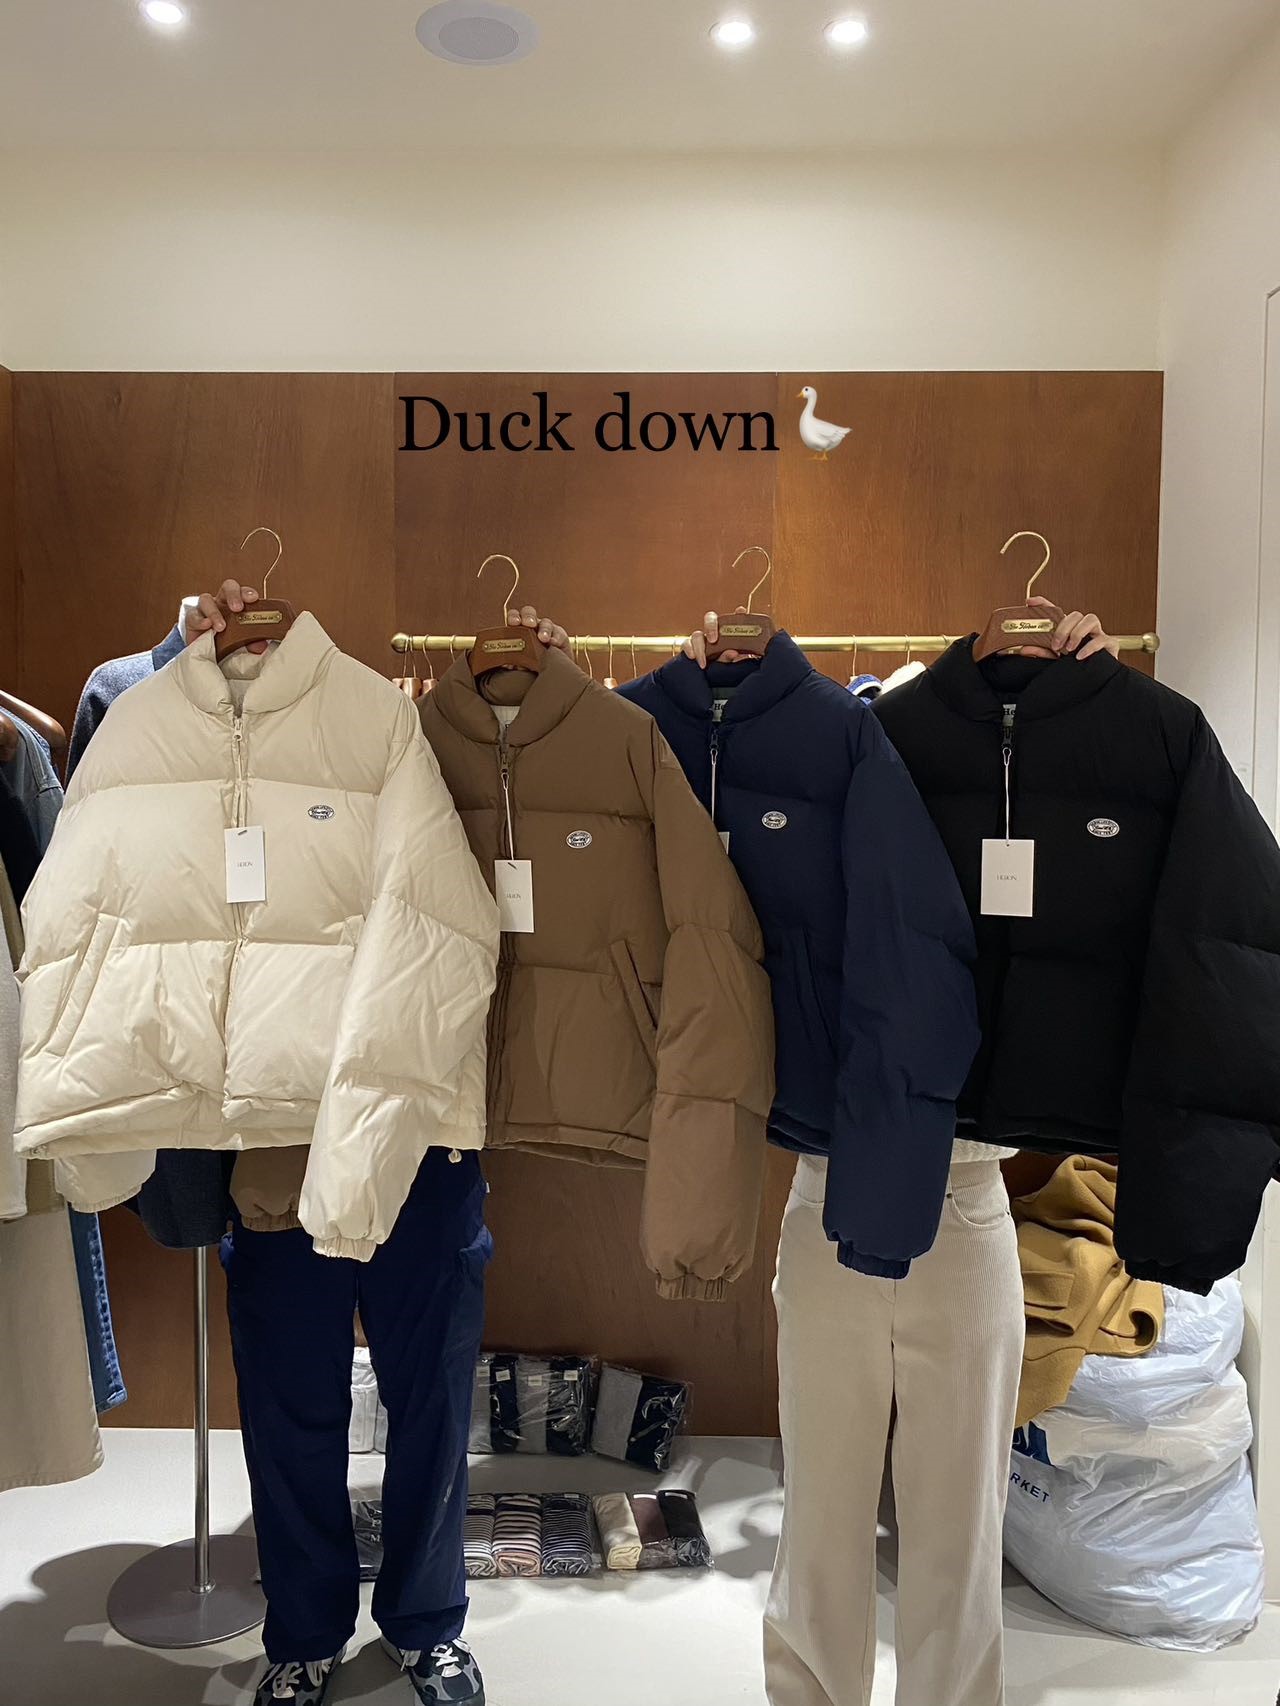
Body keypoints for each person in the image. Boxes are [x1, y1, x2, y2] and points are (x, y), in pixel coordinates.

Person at [181, 583, 565, 1706]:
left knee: (429, 1395)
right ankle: (304, 1629)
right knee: (291, 1398)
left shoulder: (397, 730)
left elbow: (465, 899)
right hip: (280, 1131)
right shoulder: (208, 751)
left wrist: (553, 677)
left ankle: (426, 1620)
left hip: (421, 1127)